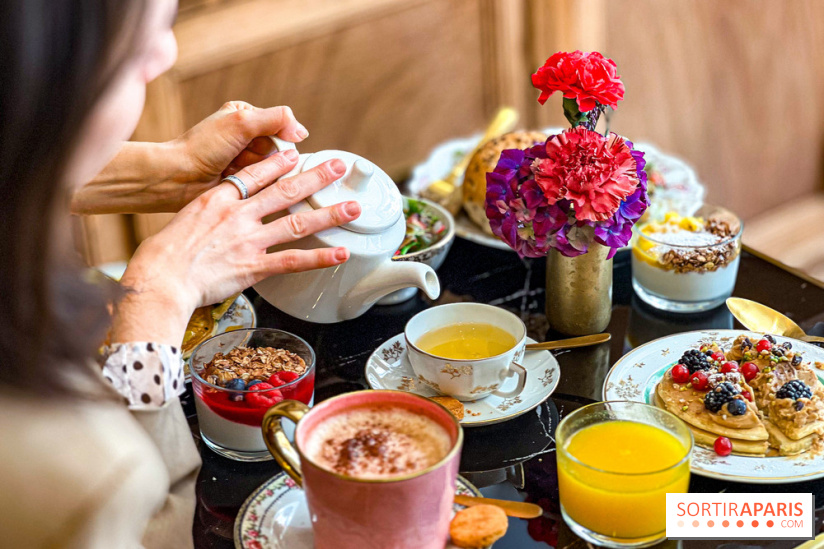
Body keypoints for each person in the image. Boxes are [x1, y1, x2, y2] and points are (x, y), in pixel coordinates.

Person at [0, 0, 361, 546]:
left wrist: (165, 171)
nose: (165, 52)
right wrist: (156, 300)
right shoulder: (86, 474)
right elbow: (150, 523)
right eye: (132, 45)